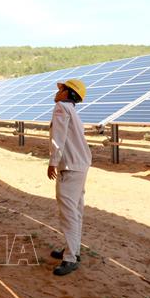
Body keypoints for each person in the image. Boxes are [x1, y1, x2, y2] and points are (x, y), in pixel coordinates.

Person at [47, 79, 92, 276]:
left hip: (70, 167)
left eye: (62, 89)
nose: (57, 92)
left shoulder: (61, 108)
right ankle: (72, 250)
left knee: (68, 212)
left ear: (68, 93)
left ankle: (71, 258)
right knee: (75, 209)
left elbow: (59, 137)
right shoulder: (72, 111)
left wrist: (53, 162)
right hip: (80, 165)